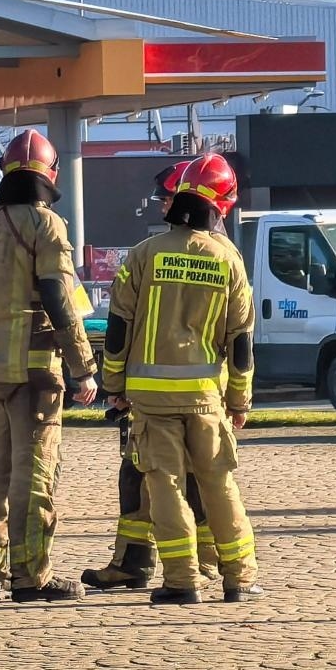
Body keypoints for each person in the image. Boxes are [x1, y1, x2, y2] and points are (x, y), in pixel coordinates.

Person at [101, 153, 260, 605]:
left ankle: (182, 581)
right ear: (221, 206)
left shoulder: (143, 254)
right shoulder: (229, 260)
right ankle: (240, 579)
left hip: (150, 399)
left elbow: (117, 331)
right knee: (219, 484)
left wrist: (114, 388)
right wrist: (239, 400)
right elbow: (241, 343)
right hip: (207, 396)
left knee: (164, 485)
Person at [0, 129, 99, 604]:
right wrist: (83, 367)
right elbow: (59, 298)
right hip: (35, 373)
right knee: (33, 473)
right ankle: (31, 575)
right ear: (51, 173)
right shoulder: (47, 225)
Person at [84, 162, 225, 591]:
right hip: (174, 395)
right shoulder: (198, 253)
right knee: (139, 478)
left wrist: (115, 386)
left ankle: (200, 566)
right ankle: (134, 560)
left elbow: (121, 325)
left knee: (187, 484)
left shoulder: (184, 254)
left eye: (169, 196)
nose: (164, 204)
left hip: (174, 398)